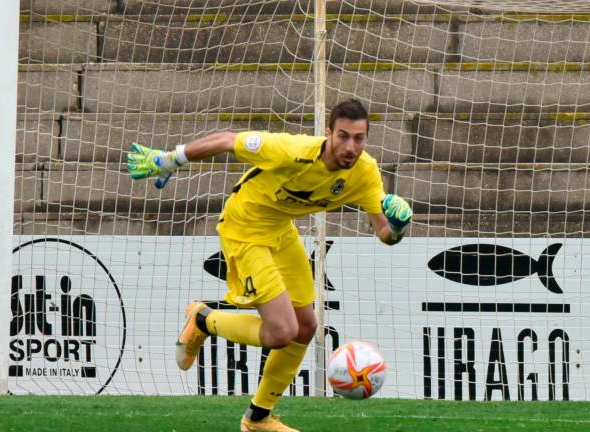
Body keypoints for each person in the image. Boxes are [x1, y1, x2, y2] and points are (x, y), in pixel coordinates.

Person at [125, 99, 412, 432]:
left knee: (305, 327)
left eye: (359, 138)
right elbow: (228, 140)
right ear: (328, 134)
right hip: (244, 227)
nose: (350, 147)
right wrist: (170, 159)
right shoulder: (291, 150)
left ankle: (257, 419)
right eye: (343, 136)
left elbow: (384, 233)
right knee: (281, 332)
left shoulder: (365, 172)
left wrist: (400, 226)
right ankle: (203, 319)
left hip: (280, 230)